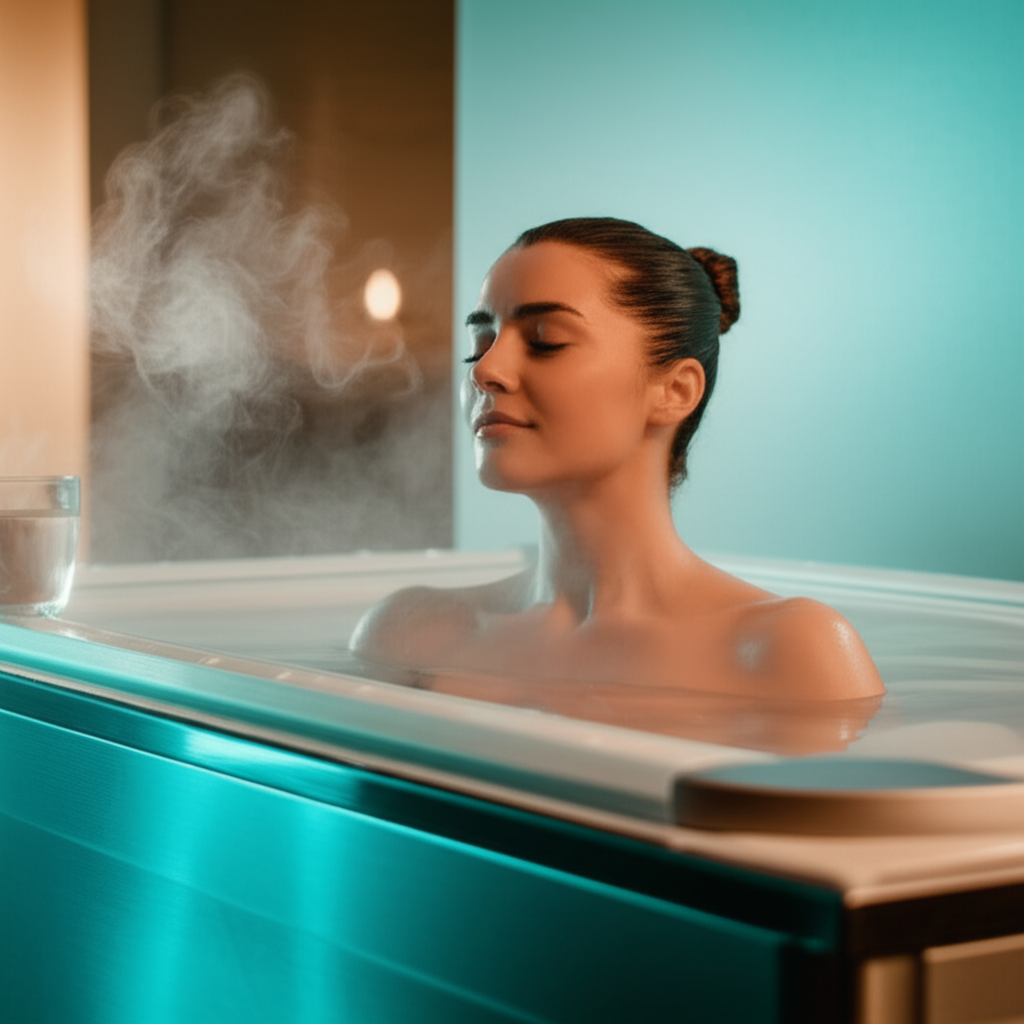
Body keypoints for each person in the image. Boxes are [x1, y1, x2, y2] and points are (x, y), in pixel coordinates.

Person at [351, 217, 885, 702]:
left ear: (674, 390)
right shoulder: (411, 633)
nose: (484, 370)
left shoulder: (790, 652)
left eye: (545, 340)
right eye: (481, 342)